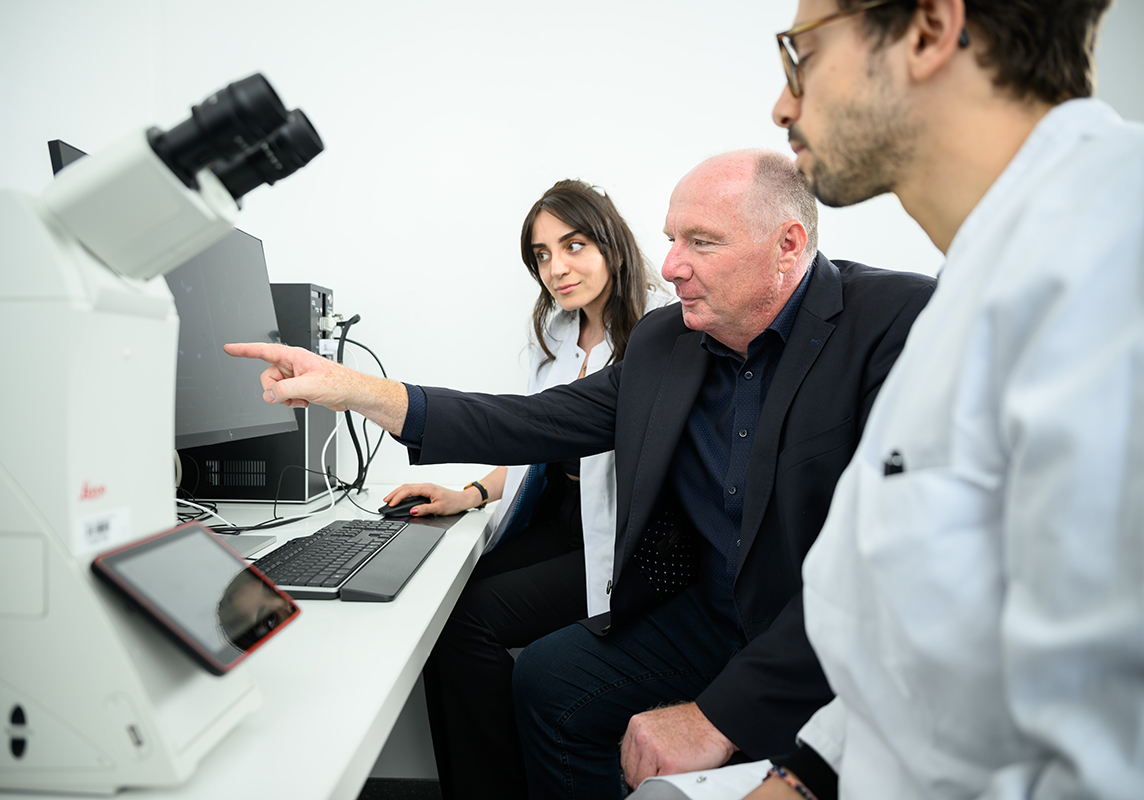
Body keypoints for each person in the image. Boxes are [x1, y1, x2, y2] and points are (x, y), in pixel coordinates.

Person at [224, 149, 936, 799]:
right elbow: (530, 423)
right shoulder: (668, 341)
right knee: (547, 678)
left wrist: (720, 712)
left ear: (790, 245)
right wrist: (357, 390)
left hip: (816, 628)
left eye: (702, 242)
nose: (675, 263)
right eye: (672, 238)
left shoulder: (893, 323)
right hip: (708, 614)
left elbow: (900, 567)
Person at [722, 1, 1142, 799]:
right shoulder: (981, 279)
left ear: (926, 30)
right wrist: (807, 774)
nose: (782, 103)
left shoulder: (1113, 262)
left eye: (800, 55)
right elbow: (925, 644)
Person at [385, 179, 673, 798]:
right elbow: (529, 447)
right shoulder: (559, 344)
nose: (557, 268)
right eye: (542, 255)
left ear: (612, 244)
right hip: (559, 525)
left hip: (624, 548)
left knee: (466, 621)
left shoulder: (662, 333)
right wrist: (469, 493)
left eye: (573, 245)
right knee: (440, 599)